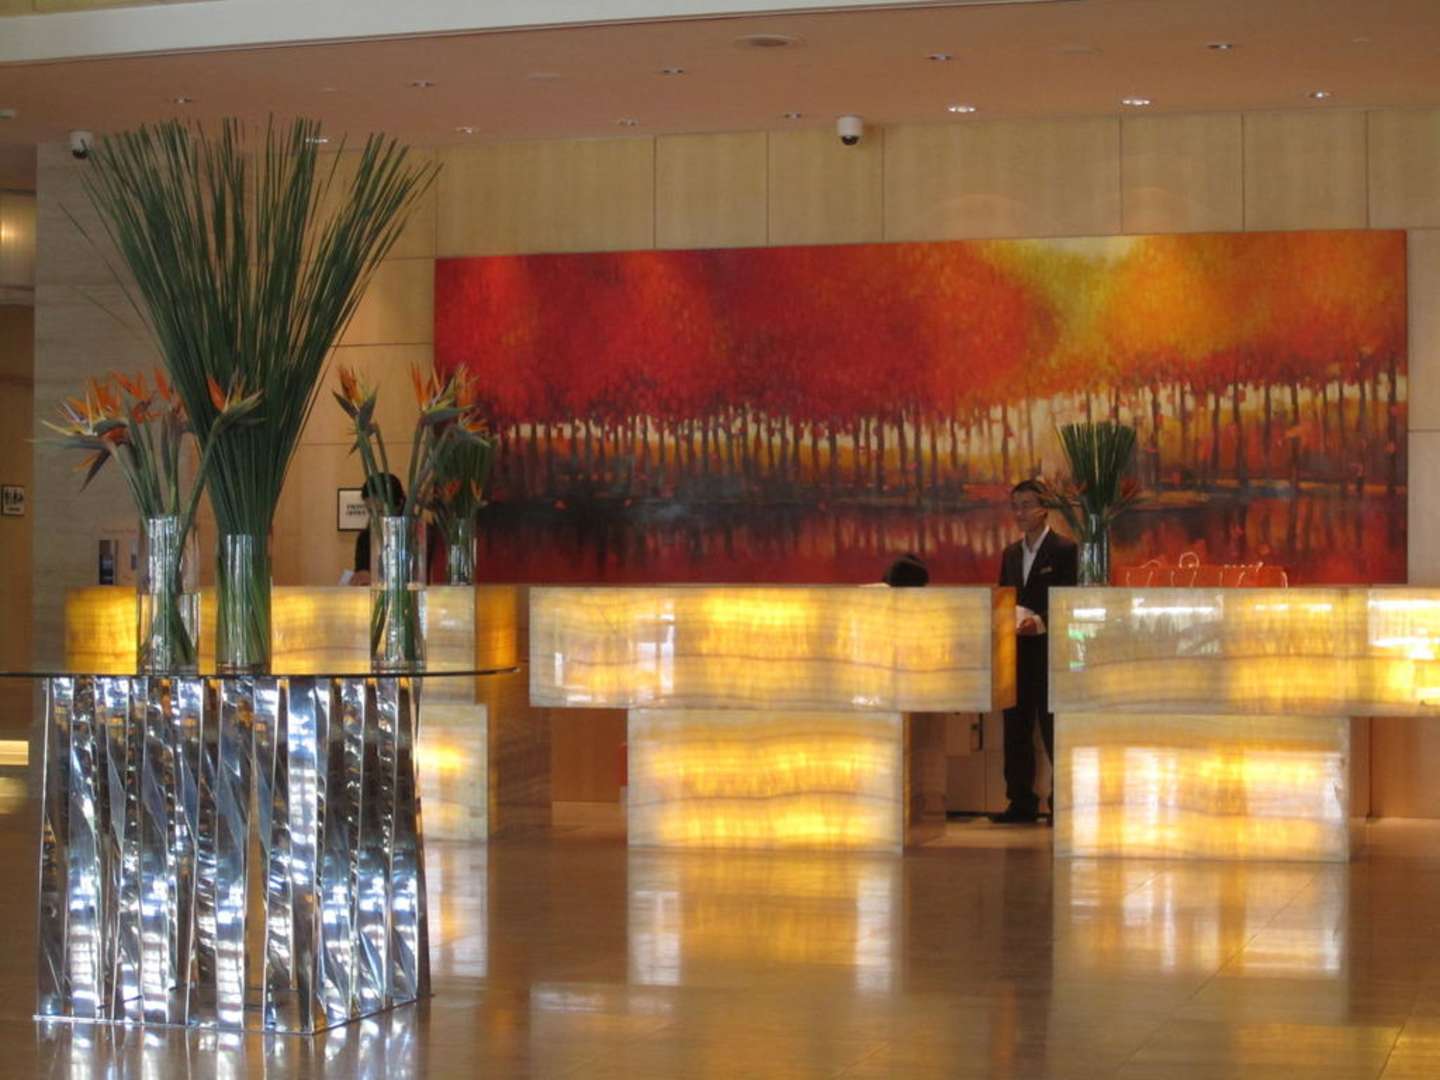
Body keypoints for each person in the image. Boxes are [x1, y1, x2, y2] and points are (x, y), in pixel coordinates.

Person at [992, 479, 1077, 825]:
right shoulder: (1010, 553)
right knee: (1016, 729)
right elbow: (1004, 597)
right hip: (1015, 652)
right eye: (1015, 506)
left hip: (1050, 652)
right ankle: (1020, 803)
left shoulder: (1065, 550)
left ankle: (1062, 805)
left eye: (1026, 505)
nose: (1020, 513)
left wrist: (1040, 622)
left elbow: (1070, 601)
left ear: (1044, 508)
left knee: (1054, 729)